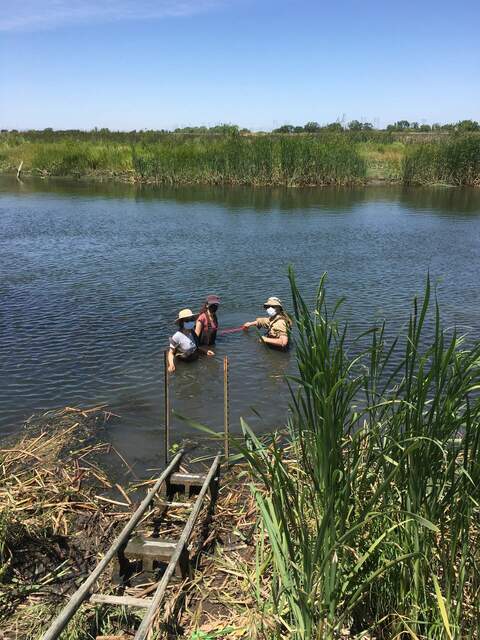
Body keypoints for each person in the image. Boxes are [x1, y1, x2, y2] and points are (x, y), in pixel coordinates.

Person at [167, 308, 214, 373]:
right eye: (187, 320)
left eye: (191, 319)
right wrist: (171, 364)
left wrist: (205, 351)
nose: (190, 322)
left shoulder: (192, 332)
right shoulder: (177, 336)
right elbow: (171, 353)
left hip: (196, 361)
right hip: (184, 365)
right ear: (181, 322)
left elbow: (195, 347)